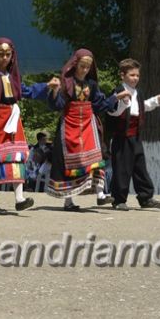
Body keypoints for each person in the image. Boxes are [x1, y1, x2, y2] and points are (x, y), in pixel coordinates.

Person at [46, 49, 126, 211]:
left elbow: (99, 105)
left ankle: (101, 194)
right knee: (69, 163)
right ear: (75, 65)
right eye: (82, 66)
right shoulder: (66, 84)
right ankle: (68, 202)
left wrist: (115, 98)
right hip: (69, 126)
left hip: (88, 125)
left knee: (96, 156)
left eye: (87, 67)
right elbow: (58, 105)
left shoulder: (92, 85)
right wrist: (54, 91)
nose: (84, 70)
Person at [0, 37, 51, 213]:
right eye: (1, 54)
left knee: (17, 156)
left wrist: (47, 86)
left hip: (13, 119)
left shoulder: (13, 77)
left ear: (12, 56)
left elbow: (26, 91)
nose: (4, 58)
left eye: (8, 54)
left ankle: (19, 198)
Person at [105, 58, 160, 210]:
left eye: (137, 75)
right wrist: (121, 102)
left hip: (135, 136)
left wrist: (156, 100)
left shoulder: (137, 93)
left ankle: (145, 197)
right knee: (122, 169)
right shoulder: (118, 91)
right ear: (122, 75)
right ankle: (119, 200)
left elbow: (142, 106)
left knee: (140, 167)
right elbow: (110, 111)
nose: (135, 78)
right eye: (132, 75)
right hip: (121, 136)